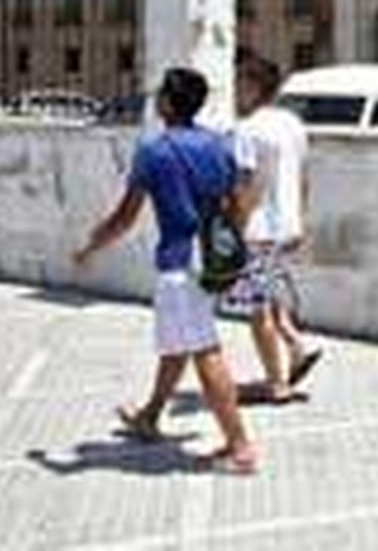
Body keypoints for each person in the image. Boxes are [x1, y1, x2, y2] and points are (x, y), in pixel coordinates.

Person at [73, 67, 259, 475]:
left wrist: (90, 247)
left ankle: (239, 446)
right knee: (179, 343)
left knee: (204, 351)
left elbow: (125, 217)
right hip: (210, 261)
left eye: (160, 94)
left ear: (169, 103)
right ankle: (150, 416)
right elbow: (239, 204)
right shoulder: (217, 147)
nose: (155, 99)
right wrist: (229, 246)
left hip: (179, 264)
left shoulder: (154, 151)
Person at [227, 54, 321, 403]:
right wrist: (300, 221)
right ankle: (297, 347)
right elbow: (304, 178)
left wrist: (234, 229)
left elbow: (245, 185)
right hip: (287, 227)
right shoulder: (292, 125)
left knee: (257, 309)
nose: (235, 91)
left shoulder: (246, 130)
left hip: (257, 230)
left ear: (252, 87)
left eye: (239, 83)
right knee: (269, 293)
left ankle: (276, 382)